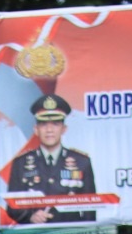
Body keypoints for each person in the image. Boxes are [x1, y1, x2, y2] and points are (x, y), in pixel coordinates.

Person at [5, 94, 97, 224]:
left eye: (55, 124)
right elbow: (12, 206)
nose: (49, 130)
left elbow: (90, 210)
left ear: (63, 129)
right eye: (43, 124)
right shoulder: (21, 164)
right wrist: (30, 216)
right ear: (36, 129)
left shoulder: (82, 162)